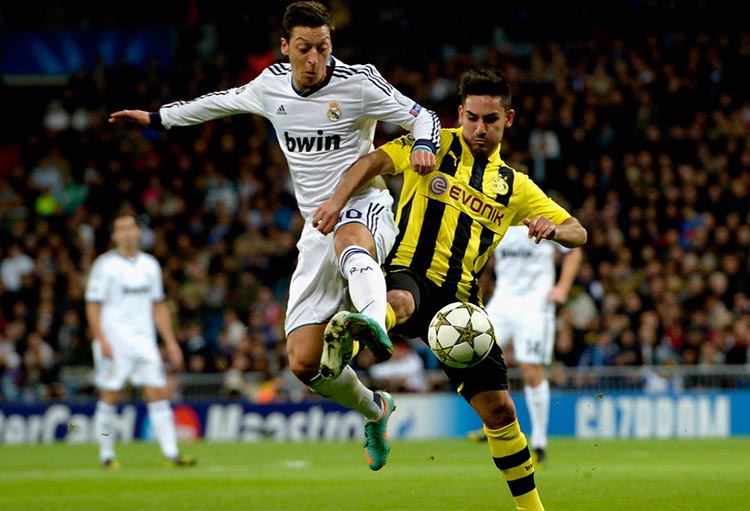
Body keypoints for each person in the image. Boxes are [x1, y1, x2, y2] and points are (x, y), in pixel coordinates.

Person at [108, 1, 440, 470]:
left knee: (350, 235)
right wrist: (158, 118)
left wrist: (424, 144)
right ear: (285, 47)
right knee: (304, 363)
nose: (313, 59)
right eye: (303, 49)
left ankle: (373, 322)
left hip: (366, 208)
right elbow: (217, 102)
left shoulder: (359, 82)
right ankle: (375, 408)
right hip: (316, 229)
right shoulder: (269, 86)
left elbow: (422, 115)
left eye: (322, 48)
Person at [314, 68, 587, 509]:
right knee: (399, 300)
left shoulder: (515, 187)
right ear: (460, 113)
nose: (480, 128)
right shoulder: (433, 142)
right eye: (473, 117)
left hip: (462, 307)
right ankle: (366, 325)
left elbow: (579, 232)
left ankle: (532, 509)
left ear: (508, 119)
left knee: (500, 412)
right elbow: (373, 162)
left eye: (491, 120)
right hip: (410, 271)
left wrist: (551, 229)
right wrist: (336, 201)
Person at [85, 213, 196, 469]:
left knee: (157, 392)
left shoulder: (150, 265)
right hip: (114, 340)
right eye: (121, 229)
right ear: (114, 236)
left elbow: (158, 307)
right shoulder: (105, 265)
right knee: (111, 394)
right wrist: (101, 339)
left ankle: (172, 453)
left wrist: (170, 342)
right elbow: (92, 305)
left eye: (131, 228)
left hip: (144, 342)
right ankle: (107, 455)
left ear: (138, 233)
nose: (127, 233)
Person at [467, 222, 584, 466]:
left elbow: (574, 250)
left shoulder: (543, 216)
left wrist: (562, 287)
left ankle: (540, 442)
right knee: (479, 357)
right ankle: (493, 422)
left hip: (535, 304)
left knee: (531, 369)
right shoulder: (497, 216)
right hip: (503, 302)